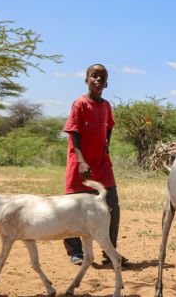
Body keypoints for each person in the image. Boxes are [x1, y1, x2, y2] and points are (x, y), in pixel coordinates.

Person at [63, 64, 124, 266]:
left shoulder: (106, 106)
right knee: (73, 208)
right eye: (94, 76)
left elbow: (110, 126)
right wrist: (81, 161)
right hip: (80, 163)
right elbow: (74, 133)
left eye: (102, 77)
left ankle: (109, 252)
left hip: (101, 164)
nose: (98, 79)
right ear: (86, 79)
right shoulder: (80, 104)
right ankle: (75, 253)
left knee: (111, 207)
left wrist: (106, 145)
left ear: (107, 83)